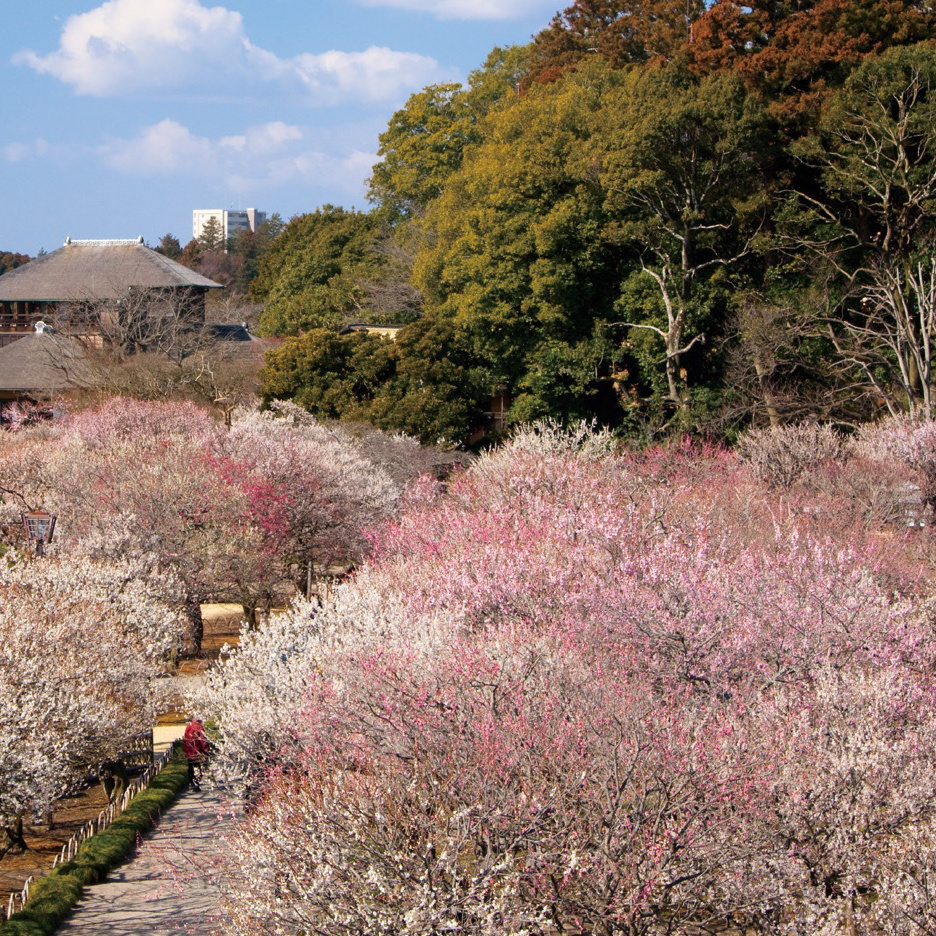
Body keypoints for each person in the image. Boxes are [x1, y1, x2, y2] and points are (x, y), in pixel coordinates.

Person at [183, 718, 210, 790]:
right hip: (197, 751)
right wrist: (206, 750)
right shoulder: (199, 728)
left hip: (189, 751)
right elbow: (203, 740)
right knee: (197, 767)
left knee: (190, 767)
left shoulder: (189, 726)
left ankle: (191, 782)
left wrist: (185, 750)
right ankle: (196, 782)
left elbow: (185, 739)